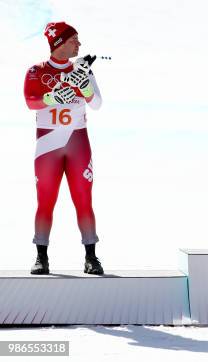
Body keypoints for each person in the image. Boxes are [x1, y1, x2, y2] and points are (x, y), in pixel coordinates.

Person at [23, 22, 104, 274]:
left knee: (83, 200)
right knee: (45, 201)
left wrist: (86, 87)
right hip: (48, 145)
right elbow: (30, 101)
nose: (79, 45)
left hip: (78, 142)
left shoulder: (83, 70)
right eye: (73, 40)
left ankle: (91, 257)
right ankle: (41, 257)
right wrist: (52, 97)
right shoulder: (36, 71)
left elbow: (97, 104)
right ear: (59, 43)